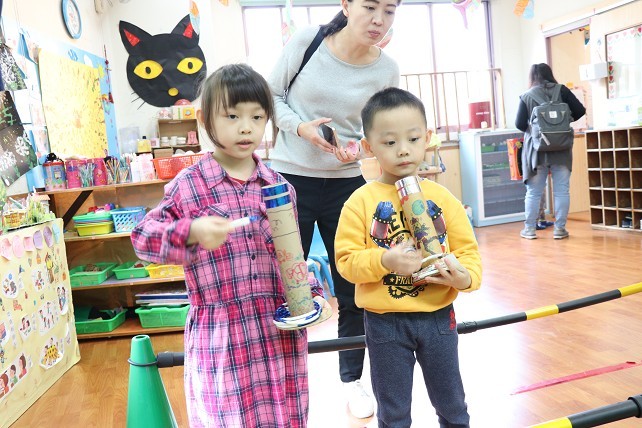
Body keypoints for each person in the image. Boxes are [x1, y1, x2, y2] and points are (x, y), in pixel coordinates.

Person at [131, 64, 327, 427]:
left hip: (278, 335)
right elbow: (142, 239)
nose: (246, 127)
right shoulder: (189, 186)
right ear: (206, 120)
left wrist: (311, 294)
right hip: (221, 340)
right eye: (232, 116)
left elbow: (291, 258)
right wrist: (191, 231)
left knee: (285, 418)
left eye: (257, 117)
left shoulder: (280, 188)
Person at [267, 0, 400, 417]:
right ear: (346, 4)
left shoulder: (386, 69)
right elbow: (270, 96)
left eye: (390, 10)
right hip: (289, 181)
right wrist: (300, 127)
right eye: (370, 6)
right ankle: (280, 379)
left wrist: (359, 148)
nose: (378, 19)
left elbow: (380, 129)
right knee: (284, 287)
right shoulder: (309, 41)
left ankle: (353, 380)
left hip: (346, 185)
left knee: (354, 286)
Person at [335, 87, 482, 427]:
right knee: (394, 412)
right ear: (368, 147)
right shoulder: (359, 202)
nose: (403, 149)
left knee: (453, 406)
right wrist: (384, 261)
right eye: (389, 142)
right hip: (384, 321)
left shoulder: (442, 198)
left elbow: (468, 253)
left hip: (438, 317)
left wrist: (464, 278)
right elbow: (346, 263)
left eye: (413, 139)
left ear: (427, 138)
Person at [515, 63, 586, 240]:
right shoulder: (563, 91)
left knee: (533, 192)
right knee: (562, 191)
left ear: (532, 77)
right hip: (562, 149)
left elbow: (519, 124)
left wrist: (536, 129)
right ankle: (560, 229)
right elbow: (580, 110)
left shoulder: (527, 96)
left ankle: (529, 229)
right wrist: (561, 124)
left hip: (537, 151)